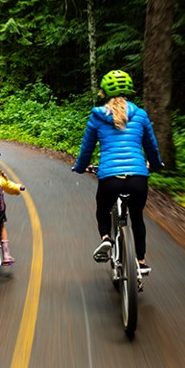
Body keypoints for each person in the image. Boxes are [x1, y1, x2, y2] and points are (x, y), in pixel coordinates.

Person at [72, 70, 163, 274]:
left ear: (104, 92)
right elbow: (151, 147)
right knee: (137, 216)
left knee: (102, 208)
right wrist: (155, 165)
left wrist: (80, 167)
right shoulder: (140, 115)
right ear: (129, 91)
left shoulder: (97, 117)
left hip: (110, 179)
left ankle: (106, 238)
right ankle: (140, 261)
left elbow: (86, 149)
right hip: (138, 178)